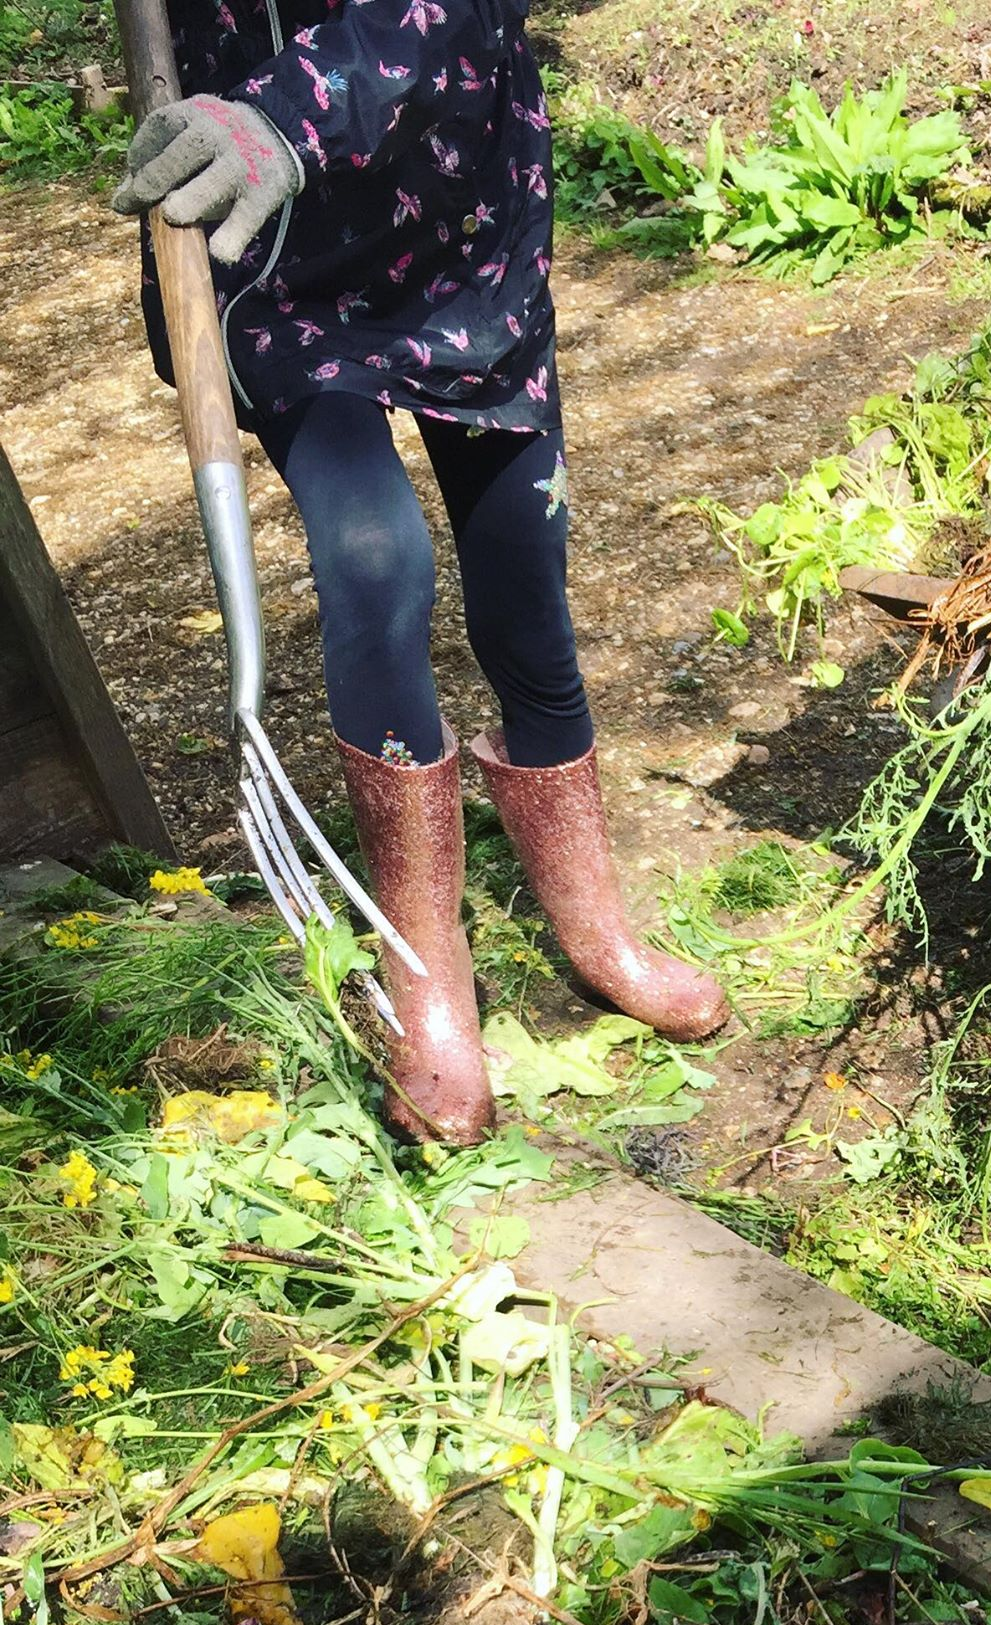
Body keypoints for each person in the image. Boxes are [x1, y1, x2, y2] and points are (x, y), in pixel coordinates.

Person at [111, 0, 727, 1146]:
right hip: (270, 251)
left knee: (522, 570)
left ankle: (595, 924)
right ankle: (425, 973)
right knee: (371, 561)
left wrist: (281, 119)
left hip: (458, 223)